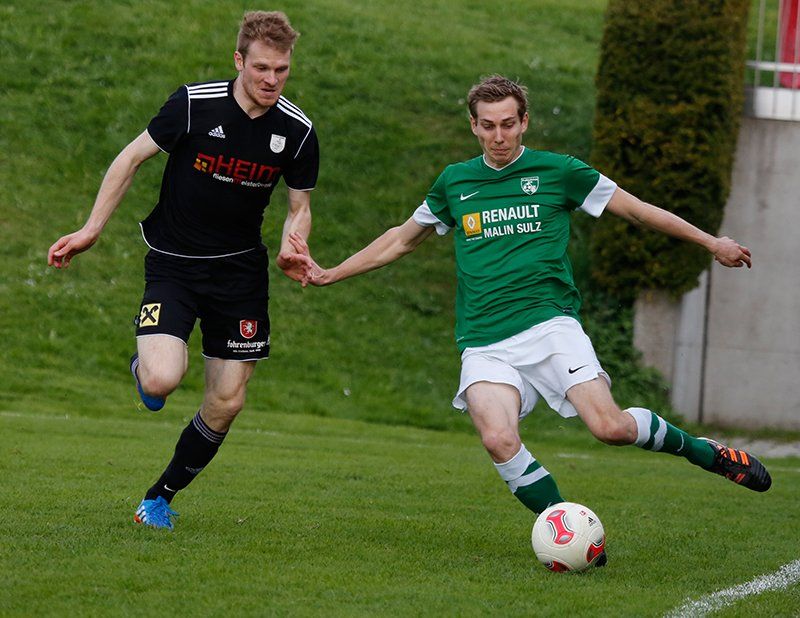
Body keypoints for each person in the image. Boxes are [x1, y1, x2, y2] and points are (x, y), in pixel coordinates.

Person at [290, 75, 771, 548]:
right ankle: (570, 533)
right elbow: (400, 240)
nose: (498, 136)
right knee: (498, 439)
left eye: (507, 124)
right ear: (473, 126)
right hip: (484, 342)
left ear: (524, 122)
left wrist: (712, 243)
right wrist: (330, 273)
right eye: (487, 126)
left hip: (549, 327)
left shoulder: (560, 172)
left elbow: (637, 209)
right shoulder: (455, 182)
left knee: (611, 428)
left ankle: (704, 452)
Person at [47, 11, 318, 530]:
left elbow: (299, 206)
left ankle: (159, 497)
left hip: (239, 276)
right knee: (162, 379)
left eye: (281, 69)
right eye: (261, 68)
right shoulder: (193, 104)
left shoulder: (297, 130)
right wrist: (90, 229)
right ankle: (145, 367)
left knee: (227, 401)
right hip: (174, 264)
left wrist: (293, 242)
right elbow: (130, 158)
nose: (271, 80)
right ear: (238, 60)